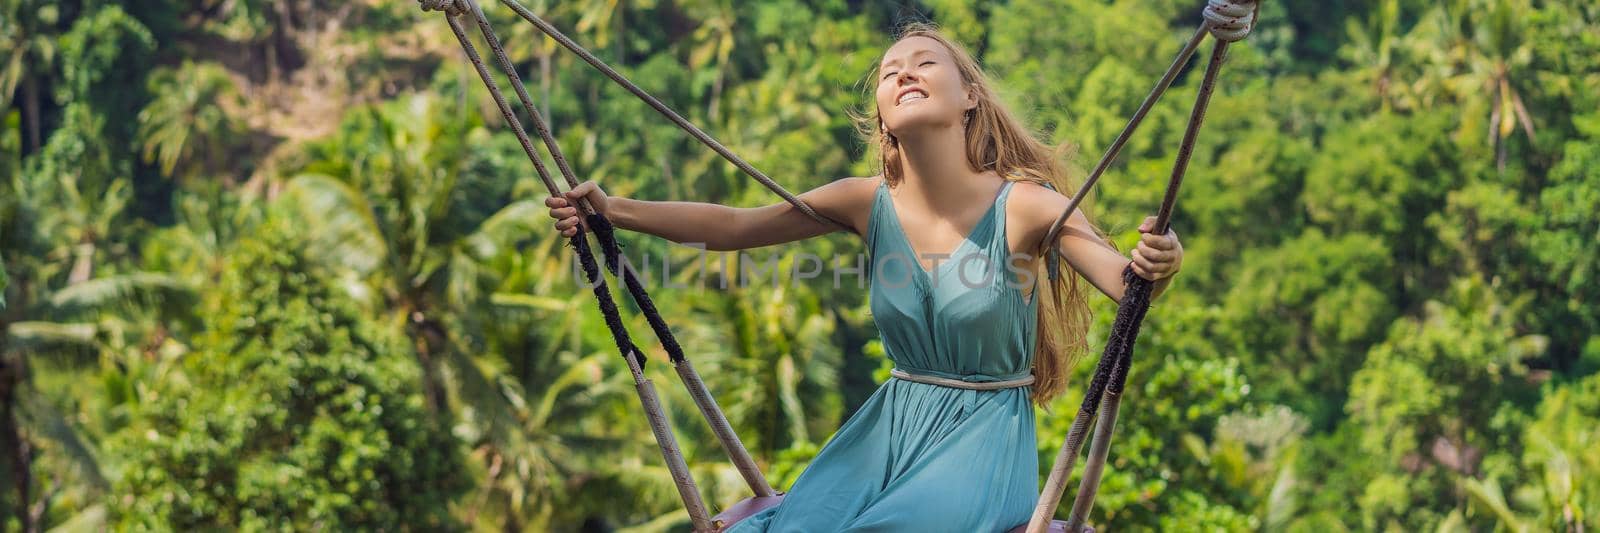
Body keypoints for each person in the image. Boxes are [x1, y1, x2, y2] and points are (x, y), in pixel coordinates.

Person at [545, 23, 1183, 533]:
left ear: (970, 99)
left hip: (982, 442)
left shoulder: (1025, 206)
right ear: (881, 115)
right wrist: (615, 209)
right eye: (889, 70)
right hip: (885, 430)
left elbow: (1129, 284)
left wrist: (1160, 264)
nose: (903, 70)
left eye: (926, 61)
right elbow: (736, 227)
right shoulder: (863, 200)